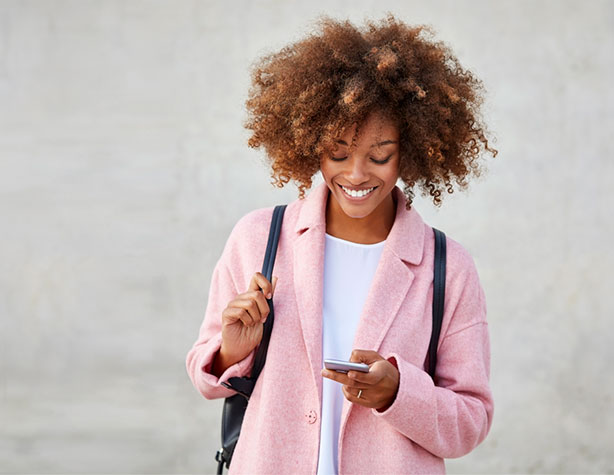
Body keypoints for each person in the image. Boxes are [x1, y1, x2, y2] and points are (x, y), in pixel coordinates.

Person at [185, 14, 498, 474]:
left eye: (379, 155)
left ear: (408, 152)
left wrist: (398, 393)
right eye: (338, 152)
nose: (355, 175)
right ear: (310, 142)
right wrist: (232, 350)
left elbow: (472, 419)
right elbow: (206, 377)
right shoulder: (258, 239)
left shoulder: (448, 268)